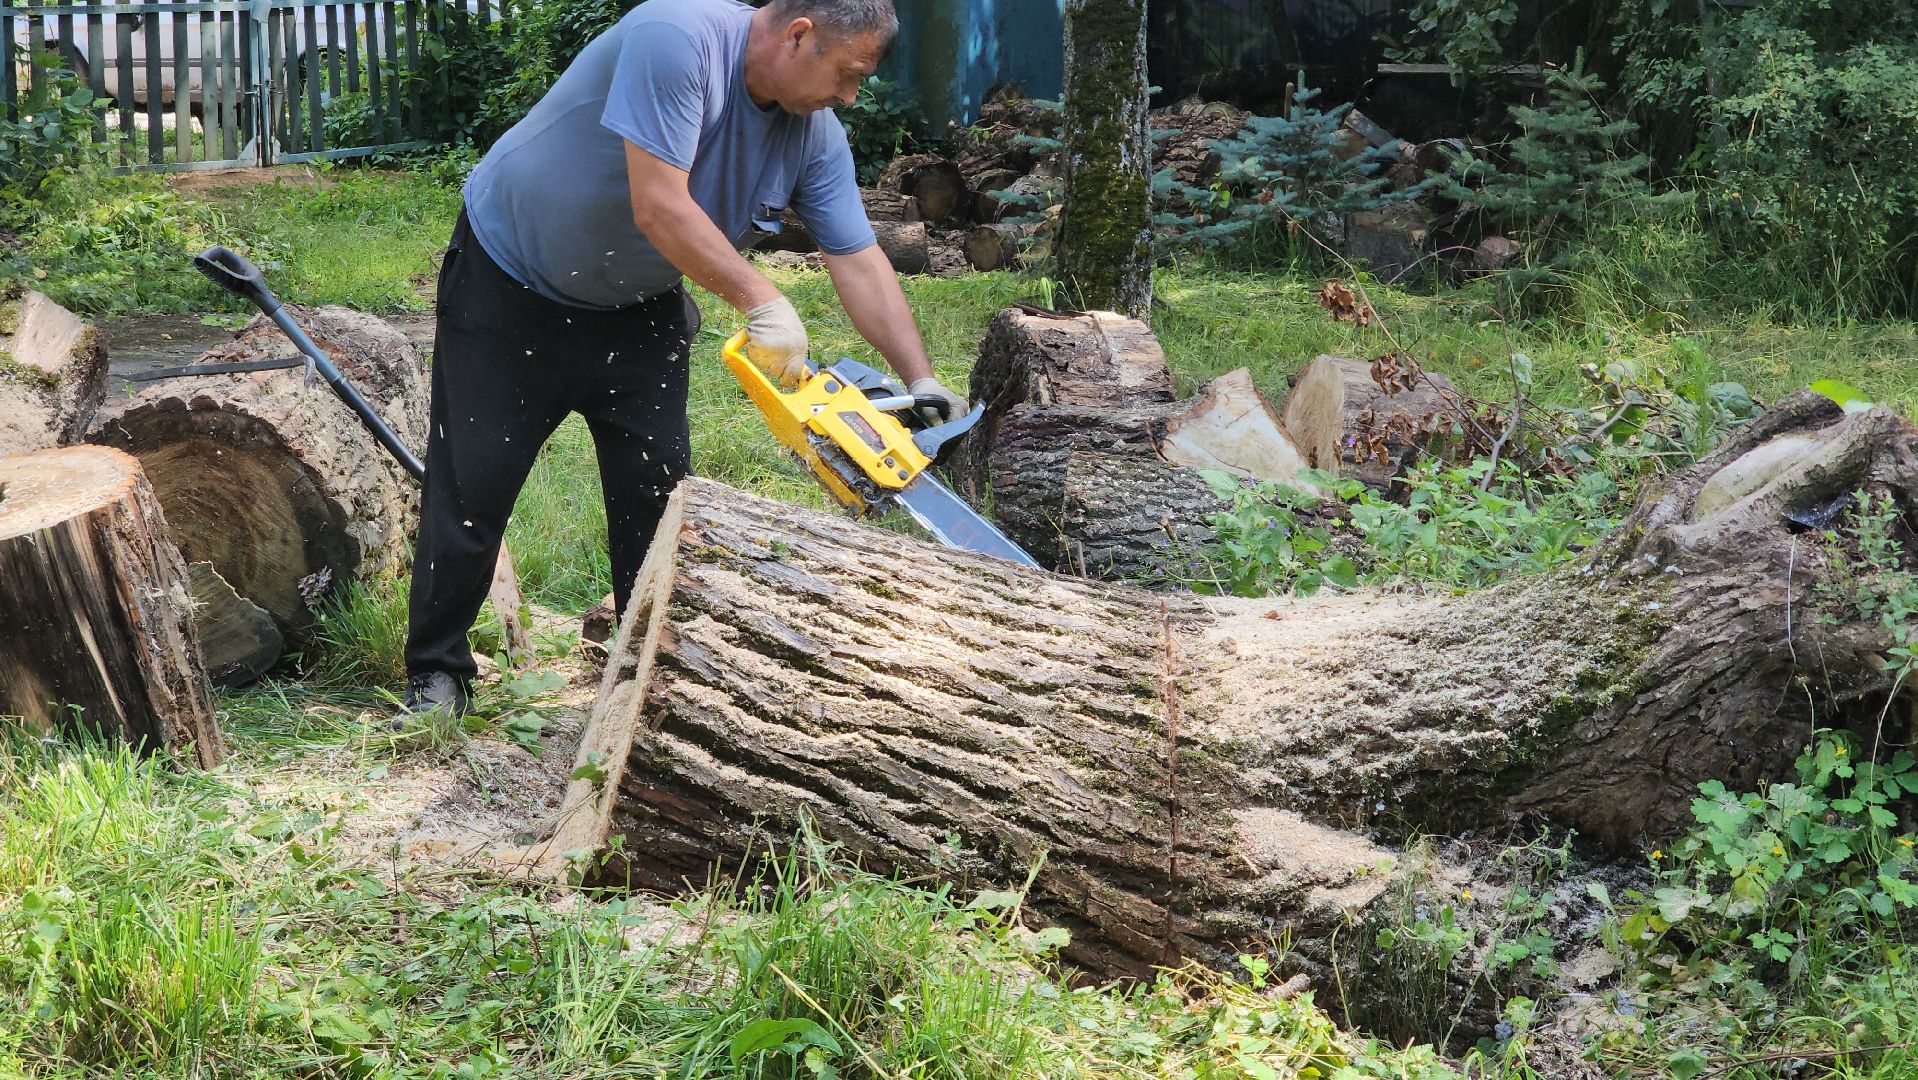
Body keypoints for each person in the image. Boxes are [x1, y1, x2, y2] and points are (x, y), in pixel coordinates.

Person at [402, 0, 959, 715]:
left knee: (658, 495)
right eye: (849, 74)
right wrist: (763, 300)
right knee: (474, 483)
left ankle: (645, 676)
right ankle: (436, 673)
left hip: (638, 305)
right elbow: (659, 205)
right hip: (510, 280)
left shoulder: (813, 136)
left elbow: (858, 259)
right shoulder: (678, 40)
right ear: (799, 36)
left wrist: (920, 378)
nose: (850, 96)